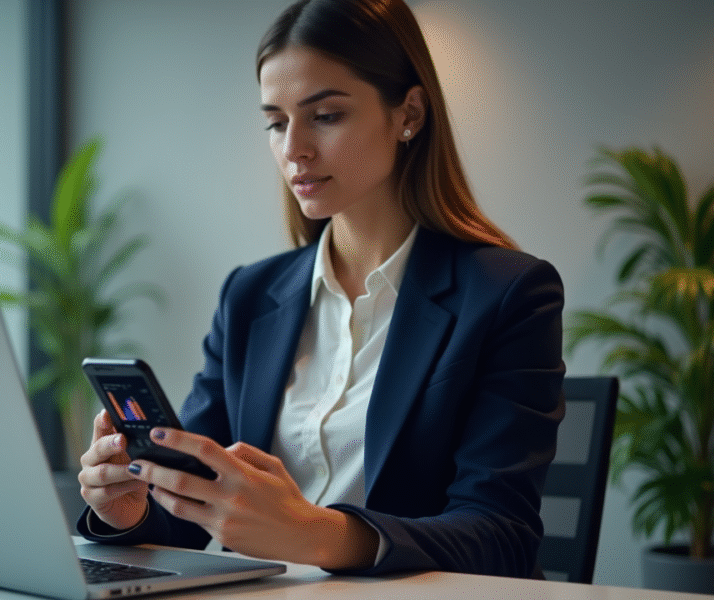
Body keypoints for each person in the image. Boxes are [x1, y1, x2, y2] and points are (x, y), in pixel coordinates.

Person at [77, 0, 564, 578]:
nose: (294, 149)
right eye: (277, 123)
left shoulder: (508, 294)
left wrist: (319, 534)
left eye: (325, 115)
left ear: (408, 113)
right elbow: (191, 506)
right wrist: (130, 509)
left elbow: (500, 535)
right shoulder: (250, 296)